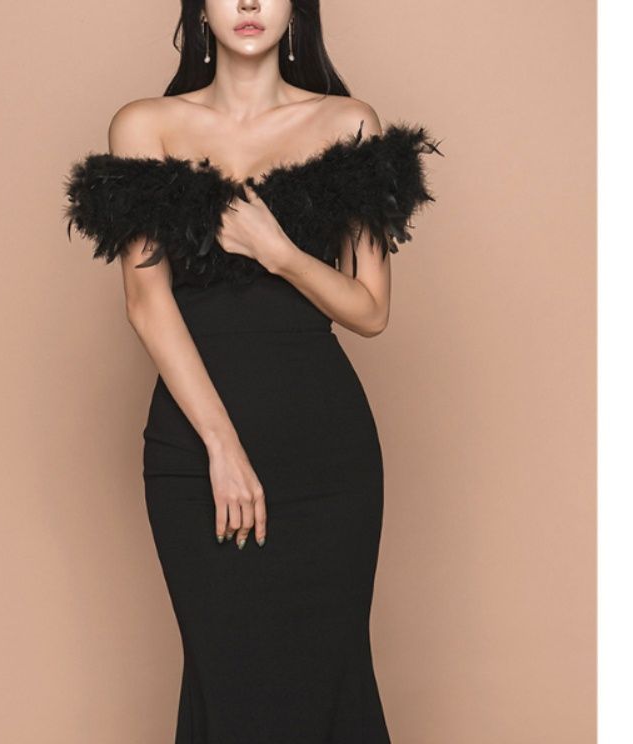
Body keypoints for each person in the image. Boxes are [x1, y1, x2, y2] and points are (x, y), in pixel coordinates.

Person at [63, 1, 443, 741]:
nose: (246, 3)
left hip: (323, 453)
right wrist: (222, 447)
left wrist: (280, 253)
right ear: (199, 9)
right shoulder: (146, 126)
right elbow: (146, 303)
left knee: (327, 678)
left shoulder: (347, 124)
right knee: (230, 678)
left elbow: (370, 310)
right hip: (195, 445)